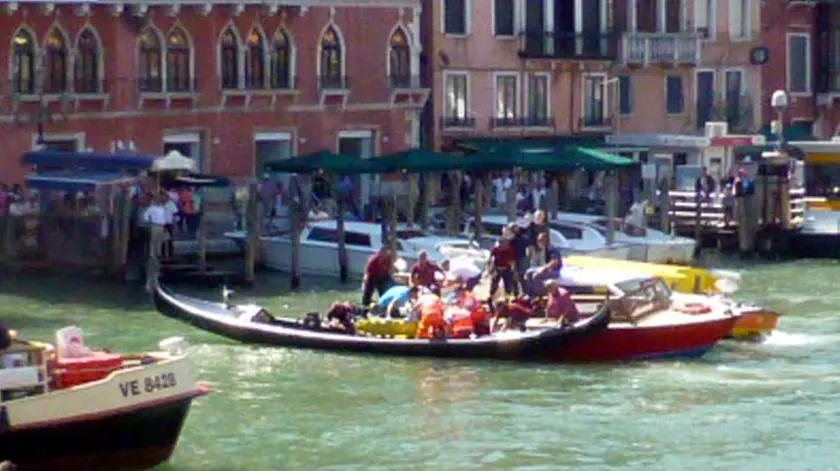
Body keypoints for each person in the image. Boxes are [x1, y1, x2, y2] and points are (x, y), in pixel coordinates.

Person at [523, 232, 563, 297]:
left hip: (554, 271)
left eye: (540, 240)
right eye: (538, 240)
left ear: (546, 240)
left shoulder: (551, 248)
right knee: (528, 272)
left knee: (536, 276)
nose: (539, 242)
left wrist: (543, 268)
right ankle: (530, 294)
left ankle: (541, 295)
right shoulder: (544, 249)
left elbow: (554, 261)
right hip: (548, 269)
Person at [488, 234, 519, 298]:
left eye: (505, 242)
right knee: (494, 283)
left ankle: (508, 297)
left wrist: (514, 270)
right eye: (501, 242)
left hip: (507, 269)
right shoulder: (496, 249)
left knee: (508, 284)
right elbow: (491, 258)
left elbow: (512, 260)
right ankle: (491, 296)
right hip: (497, 268)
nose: (503, 244)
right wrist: (490, 268)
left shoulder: (510, 249)